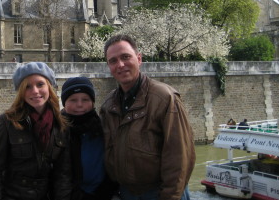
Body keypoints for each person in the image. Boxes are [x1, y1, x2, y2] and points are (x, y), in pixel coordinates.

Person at [100, 34, 195, 200]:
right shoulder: (109, 105)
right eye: (113, 61)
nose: (120, 65)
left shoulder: (165, 98)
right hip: (126, 193)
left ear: (139, 58)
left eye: (125, 57)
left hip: (159, 192)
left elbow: (180, 157)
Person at [0, 62, 71, 200]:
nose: (35, 91)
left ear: (49, 87)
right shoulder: (7, 122)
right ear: (21, 92)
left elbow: (62, 175)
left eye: (40, 84)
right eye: (28, 87)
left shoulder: (61, 123)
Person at [61, 76, 118, 200]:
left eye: (85, 99)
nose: (79, 105)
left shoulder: (104, 128)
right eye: (73, 100)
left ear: (93, 103)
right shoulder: (56, 131)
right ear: (64, 103)